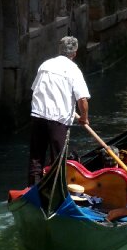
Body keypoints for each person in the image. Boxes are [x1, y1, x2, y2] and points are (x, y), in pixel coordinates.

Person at [28, 36, 90, 186]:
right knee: (58, 159)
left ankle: (32, 188)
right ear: (74, 53)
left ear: (59, 50)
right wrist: (84, 117)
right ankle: (55, 189)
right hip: (58, 119)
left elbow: (34, 88)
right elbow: (82, 100)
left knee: (36, 157)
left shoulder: (45, 65)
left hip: (38, 115)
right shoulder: (74, 70)